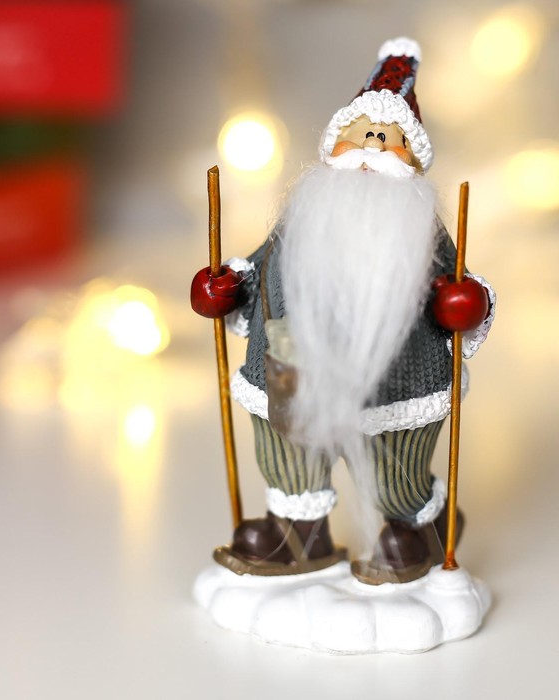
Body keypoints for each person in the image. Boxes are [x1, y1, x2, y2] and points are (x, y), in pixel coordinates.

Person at [191, 37, 495, 584]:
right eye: (361, 134)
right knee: (289, 448)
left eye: (388, 139)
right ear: (335, 146)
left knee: (395, 463)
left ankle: (416, 528)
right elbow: (260, 267)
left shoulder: (419, 230)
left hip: (393, 375)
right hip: (293, 361)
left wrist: (464, 303)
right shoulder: (303, 214)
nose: (372, 147)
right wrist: (226, 287)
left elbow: (460, 289)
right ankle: (297, 531)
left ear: (412, 159)